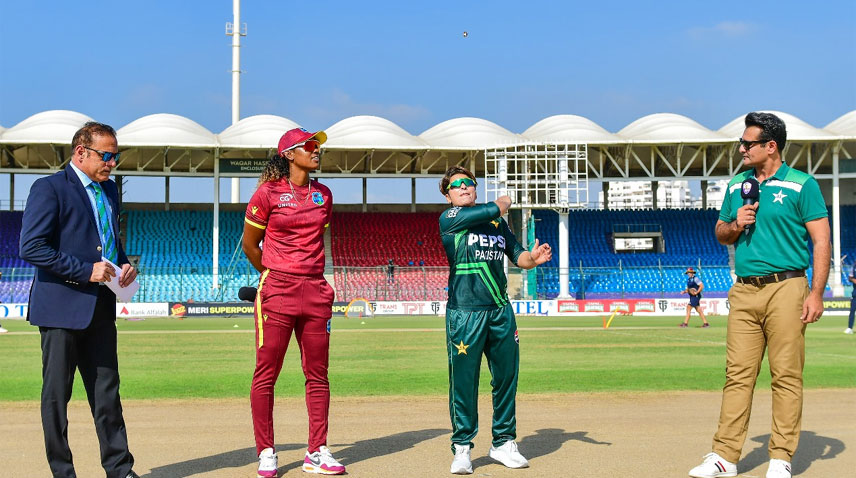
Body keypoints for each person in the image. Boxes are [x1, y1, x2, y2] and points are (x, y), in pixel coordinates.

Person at [689, 112, 830, 478]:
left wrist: (816, 292)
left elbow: (821, 240)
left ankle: (781, 457)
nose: (741, 149)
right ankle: (725, 456)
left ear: (771, 146)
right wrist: (737, 223)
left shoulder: (802, 184)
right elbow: (720, 232)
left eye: (747, 143)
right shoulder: (738, 186)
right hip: (745, 290)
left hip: (788, 287)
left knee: (785, 376)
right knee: (737, 375)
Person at [18, 122, 140, 478]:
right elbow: (32, 246)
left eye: (115, 156)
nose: (112, 163)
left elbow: (109, 242)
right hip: (60, 308)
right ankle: (63, 472)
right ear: (80, 152)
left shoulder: (110, 191)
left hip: (101, 307)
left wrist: (125, 265)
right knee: (57, 398)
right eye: (106, 155)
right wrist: (84, 270)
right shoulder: (50, 188)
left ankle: (120, 470)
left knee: (107, 395)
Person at [242, 127, 345, 476]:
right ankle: (266, 451)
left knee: (318, 374)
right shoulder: (266, 194)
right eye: (309, 146)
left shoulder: (324, 195)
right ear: (289, 154)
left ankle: (316, 451)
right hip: (278, 290)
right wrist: (275, 272)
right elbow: (249, 246)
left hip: (316, 291)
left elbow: (317, 240)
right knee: (266, 374)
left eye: (318, 146)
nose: (317, 151)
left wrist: (304, 276)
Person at [438, 166, 552, 474]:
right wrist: (501, 202)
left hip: (500, 311)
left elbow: (519, 256)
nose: (463, 187)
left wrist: (534, 258)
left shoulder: (495, 224)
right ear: (448, 194)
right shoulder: (450, 220)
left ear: (475, 188)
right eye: (456, 185)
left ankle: (503, 443)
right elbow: (497, 206)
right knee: (464, 382)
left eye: (468, 183)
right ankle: (462, 448)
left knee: (505, 379)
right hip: (465, 313)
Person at [846, 261, 855, 334]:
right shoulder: (854, 266)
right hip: (855, 294)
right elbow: (850, 277)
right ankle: (849, 328)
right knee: (852, 311)